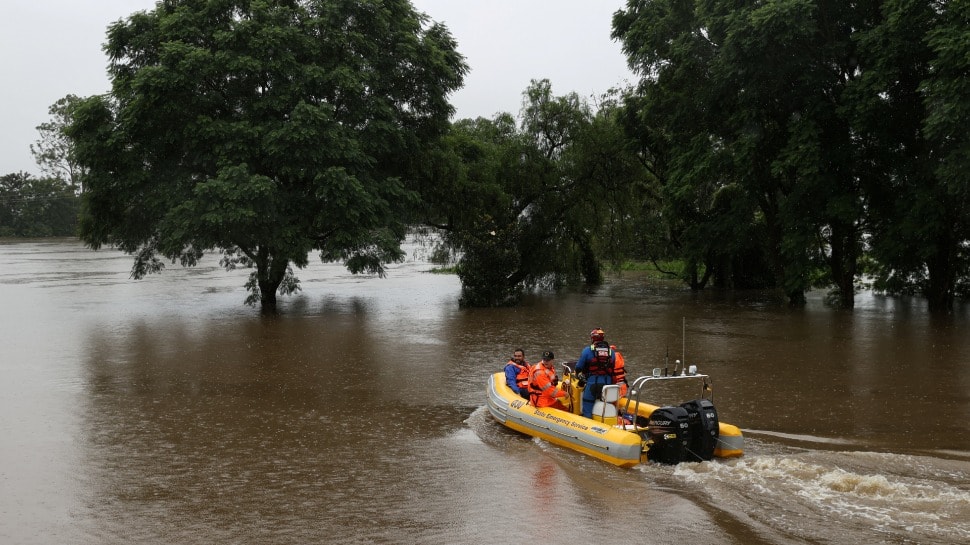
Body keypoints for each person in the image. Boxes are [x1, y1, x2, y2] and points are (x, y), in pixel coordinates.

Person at [575, 328, 616, 418]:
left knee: (587, 405)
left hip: (592, 383)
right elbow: (612, 368)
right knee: (606, 407)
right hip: (607, 385)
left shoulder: (588, 350)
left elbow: (578, 367)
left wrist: (580, 377)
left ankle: (587, 425)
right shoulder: (611, 352)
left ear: (593, 338)